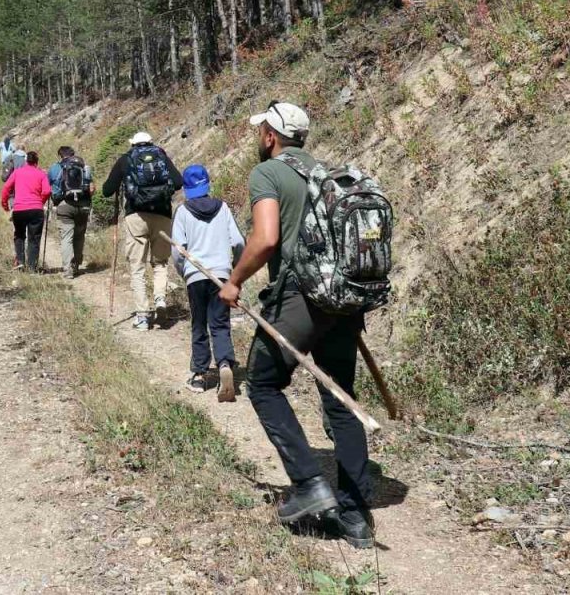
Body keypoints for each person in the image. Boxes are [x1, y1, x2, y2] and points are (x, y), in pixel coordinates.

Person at [217, 101, 375, 549]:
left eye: (261, 131)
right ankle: (356, 516)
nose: (259, 137)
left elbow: (266, 239)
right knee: (340, 397)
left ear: (271, 136)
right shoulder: (327, 174)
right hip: (342, 300)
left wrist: (234, 281)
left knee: (263, 384)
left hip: (300, 297)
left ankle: (309, 485)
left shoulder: (267, 173)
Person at [171, 164, 244, 401]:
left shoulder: (183, 212)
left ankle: (200, 375)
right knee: (220, 324)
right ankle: (224, 364)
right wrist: (236, 272)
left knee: (199, 324)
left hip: (196, 274)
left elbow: (177, 251)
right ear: (207, 184)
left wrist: (184, 272)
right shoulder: (223, 208)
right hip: (221, 275)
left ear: (186, 188)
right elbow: (239, 242)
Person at [101, 131, 181, 330]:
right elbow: (178, 182)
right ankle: (160, 300)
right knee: (160, 263)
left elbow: (107, 190)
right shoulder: (161, 155)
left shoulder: (126, 159)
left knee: (137, 267)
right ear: (150, 142)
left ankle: (143, 316)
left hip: (135, 216)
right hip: (162, 215)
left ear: (133, 144)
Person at [48, 146, 94, 279]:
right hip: (83, 206)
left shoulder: (55, 168)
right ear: (73, 154)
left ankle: (67, 270)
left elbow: (48, 187)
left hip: (65, 206)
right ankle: (76, 265)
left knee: (66, 238)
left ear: (60, 155)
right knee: (79, 236)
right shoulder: (84, 167)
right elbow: (91, 189)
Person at [0, 150, 51, 271]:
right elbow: (47, 191)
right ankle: (32, 267)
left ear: (26, 161)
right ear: (37, 162)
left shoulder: (17, 172)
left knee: (19, 235)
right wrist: (40, 202)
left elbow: (6, 188)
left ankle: (20, 262)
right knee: (34, 238)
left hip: (19, 209)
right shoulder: (41, 174)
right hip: (36, 210)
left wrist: (5, 205)